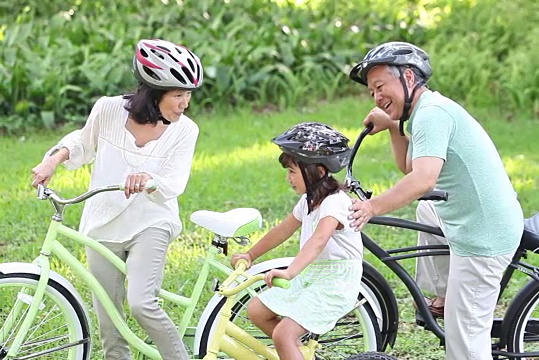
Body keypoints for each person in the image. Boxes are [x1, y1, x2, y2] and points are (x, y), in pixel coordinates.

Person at [347, 41, 524, 360]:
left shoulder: (432, 115)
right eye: (372, 91)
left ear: (409, 78)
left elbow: (423, 179)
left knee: (465, 340)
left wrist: (373, 206)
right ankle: (444, 295)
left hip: (483, 236)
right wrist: (393, 127)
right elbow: (410, 166)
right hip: (473, 215)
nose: (376, 97)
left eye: (380, 86)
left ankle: (457, 310)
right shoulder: (422, 113)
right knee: (428, 208)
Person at [30, 38, 203, 360]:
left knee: (141, 303)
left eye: (188, 94)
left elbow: (174, 183)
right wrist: (53, 160)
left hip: (152, 221)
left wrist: (148, 180)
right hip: (102, 222)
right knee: (109, 322)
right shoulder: (108, 109)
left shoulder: (185, 130)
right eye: (178, 95)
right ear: (154, 93)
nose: (185, 103)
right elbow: (83, 144)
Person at [231, 122, 363, 360]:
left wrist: (290, 272)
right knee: (257, 311)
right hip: (311, 276)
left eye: (293, 171)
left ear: (319, 172)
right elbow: (283, 230)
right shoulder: (308, 200)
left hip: (335, 282)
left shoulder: (335, 202)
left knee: (283, 335)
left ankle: (290, 345)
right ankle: (296, 353)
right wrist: (250, 255)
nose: (288, 178)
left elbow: (319, 239)